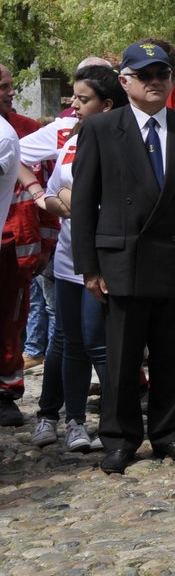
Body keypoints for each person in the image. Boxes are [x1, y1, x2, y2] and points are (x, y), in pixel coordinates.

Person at [72, 42, 175, 474]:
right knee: (121, 357)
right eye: (145, 75)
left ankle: (171, 433)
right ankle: (119, 438)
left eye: (163, 74)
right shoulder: (101, 129)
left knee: (173, 353)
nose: (156, 82)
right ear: (125, 81)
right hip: (123, 261)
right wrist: (90, 267)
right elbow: (83, 204)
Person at [30, 66, 126, 452]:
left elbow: (120, 203)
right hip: (69, 257)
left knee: (97, 341)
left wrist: (79, 203)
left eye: (82, 100)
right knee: (70, 341)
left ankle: (119, 419)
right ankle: (74, 422)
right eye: (73, 97)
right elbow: (54, 197)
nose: (73, 105)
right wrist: (65, 203)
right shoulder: (72, 140)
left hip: (104, 260)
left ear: (106, 105)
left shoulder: (123, 141)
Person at [0, 62, 42, 427]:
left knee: (11, 322)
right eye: (3, 87)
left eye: (11, 85)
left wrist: (45, 242)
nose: (11, 92)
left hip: (17, 248)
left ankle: (7, 391)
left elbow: (41, 194)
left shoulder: (28, 131)